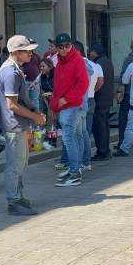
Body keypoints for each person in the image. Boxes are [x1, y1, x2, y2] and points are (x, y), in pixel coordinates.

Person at [0, 36, 45, 215]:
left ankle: (18, 196)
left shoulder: (14, 69)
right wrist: (34, 116)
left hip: (17, 124)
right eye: (27, 50)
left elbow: (21, 99)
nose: (31, 53)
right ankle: (14, 201)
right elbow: (12, 105)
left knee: (20, 163)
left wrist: (33, 111)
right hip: (14, 125)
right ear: (16, 52)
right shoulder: (10, 72)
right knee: (15, 165)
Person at [49, 33, 89, 187]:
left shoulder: (77, 60)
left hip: (71, 106)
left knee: (69, 139)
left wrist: (66, 99)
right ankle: (75, 168)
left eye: (67, 45)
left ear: (71, 45)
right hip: (67, 105)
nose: (64, 49)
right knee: (76, 137)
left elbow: (83, 83)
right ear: (57, 48)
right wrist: (55, 105)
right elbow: (58, 86)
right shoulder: (60, 62)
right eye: (61, 47)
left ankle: (74, 173)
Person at [78, 41, 103, 170]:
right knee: (86, 133)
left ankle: (80, 160)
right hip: (91, 98)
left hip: (80, 101)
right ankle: (86, 160)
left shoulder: (78, 65)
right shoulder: (95, 65)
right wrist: (92, 90)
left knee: (79, 134)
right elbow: (100, 82)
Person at [88, 45, 114, 161]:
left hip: (100, 99)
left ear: (95, 52)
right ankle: (105, 150)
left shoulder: (99, 64)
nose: (90, 55)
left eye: (91, 52)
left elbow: (99, 81)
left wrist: (93, 91)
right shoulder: (107, 61)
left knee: (100, 127)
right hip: (107, 99)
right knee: (104, 126)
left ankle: (103, 152)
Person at [115, 38, 133, 152]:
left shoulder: (128, 59)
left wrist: (120, 93)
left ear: (130, 47)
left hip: (129, 93)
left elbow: (123, 77)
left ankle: (122, 141)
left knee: (124, 119)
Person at [22, 46, 42, 115]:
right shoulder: (23, 56)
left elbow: (41, 66)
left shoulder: (37, 56)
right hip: (25, 81)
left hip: (35, 82)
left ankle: (37, 119)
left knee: (35, 100)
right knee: (26, 100)